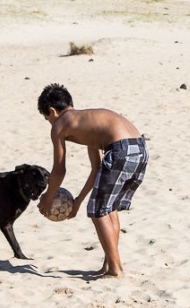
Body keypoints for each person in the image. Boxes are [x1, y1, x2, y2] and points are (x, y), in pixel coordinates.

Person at [36, 83, 148, 277]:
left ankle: (115, 270)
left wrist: (49, 196)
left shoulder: (60, 124)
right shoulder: (89, 124)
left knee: (98, 212)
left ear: (52, 111)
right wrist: (78, 201)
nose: (50, 123)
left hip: (120, 150)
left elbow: (59, 170)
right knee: (108, 208)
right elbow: (97, 170)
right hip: (139, 149)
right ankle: (110, 264)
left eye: (47, 119)